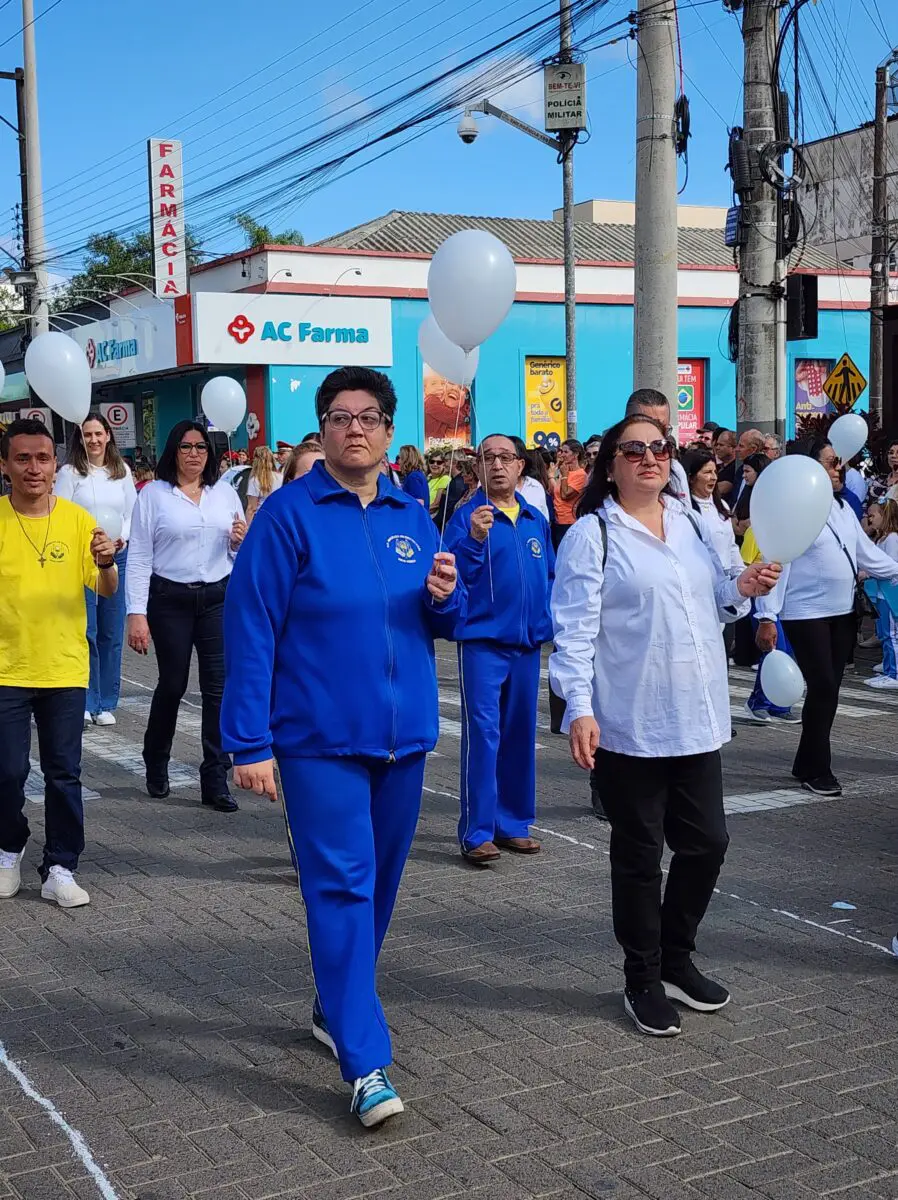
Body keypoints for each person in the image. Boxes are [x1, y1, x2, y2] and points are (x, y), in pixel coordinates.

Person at [220, 366, 463, 1129]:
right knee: (341, 888)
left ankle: (334, 1003)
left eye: (367, 417)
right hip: (316, 739)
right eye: (338, 416)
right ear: (321, 431)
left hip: (405, 738)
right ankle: (364, 1060)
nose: (353, 428)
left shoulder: (412, 515)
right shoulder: (287, 516)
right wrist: (247, 742)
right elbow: (251, 629)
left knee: (380, 888)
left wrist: (447, 599)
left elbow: (441, 623)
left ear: (390, 432)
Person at [550, 414, 780, 1037]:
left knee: (709, 843)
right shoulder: (593, 535)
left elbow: (718, 600)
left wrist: (744, 584)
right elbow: (571, 633)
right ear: (612, 465)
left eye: (660, 448)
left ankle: (678, 958)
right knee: (640, 858)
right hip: (631, 722)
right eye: (634, 450)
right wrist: (579, 708)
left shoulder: (690, 522)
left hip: (697, 716)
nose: (649, 458)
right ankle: (643, 978)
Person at [0, 419, 118, 909]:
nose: (34, 468)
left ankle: (60, 866)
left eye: (43, 458)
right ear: (4, 466)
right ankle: (9, 848)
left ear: (55, 465)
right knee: (5, 773)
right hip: (6, 669)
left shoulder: (76, 520)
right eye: (23, 458)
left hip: (65, 669)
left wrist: (108, 562)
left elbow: (104, 589)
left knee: (63, 773)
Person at [755, 436, 898, 796]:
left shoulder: (842, 509)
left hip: (842, 611)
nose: (839, 468)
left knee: (829, 688)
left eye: (839, 463)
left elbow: (866, 555)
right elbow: (778, 562)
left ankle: (805, 759)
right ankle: (818, 769)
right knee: (821, 687)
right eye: (831, 462)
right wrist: (767, 616)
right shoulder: (792, 510)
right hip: (806, 613)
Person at [125, 420, 247, 813]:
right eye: (185, 446)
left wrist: (236, 544)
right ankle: (156, 759)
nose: (194, 453)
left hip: (216, 598)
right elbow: (140, 557)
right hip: (169, 599)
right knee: (172, 685)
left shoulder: (225, 494)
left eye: (200, 447)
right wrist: (136, 613)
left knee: (218, 690)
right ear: (172, 451)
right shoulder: (154, 496)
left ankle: (215, 778)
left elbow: (237, 552)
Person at [446, 435, 553, 864]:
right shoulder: (467, 517)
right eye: (487, 458)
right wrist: (472, 539)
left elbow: (547, 575)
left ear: (521, 466)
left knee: (520, 734)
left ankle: (513, 823)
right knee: (484, 736)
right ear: (477, 467)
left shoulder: (533, 519)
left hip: (526, 647)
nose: (497, 465)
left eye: (505, 458)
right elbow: (450, 574)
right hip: (483, 644)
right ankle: (477, 831)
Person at [55, 414, 137, 727]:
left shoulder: (122, 471)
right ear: (80, 438)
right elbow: (61, 513)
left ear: (108, 437)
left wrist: (121, 539)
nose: (93, 440)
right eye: (87, 435)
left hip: (118, 556)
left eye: (98, 434)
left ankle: (106, 701)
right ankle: (87, 700)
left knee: (111, 631)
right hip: (83, 558)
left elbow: (133, 512)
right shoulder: (70, 473)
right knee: (86, 631)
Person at [624, 390, 690, 506]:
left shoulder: (675, 469)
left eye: (663, 429)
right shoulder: (608, 465)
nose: (656, 434)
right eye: (649, 426)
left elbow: (685, 512)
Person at [682, 449, 742, 575]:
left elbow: (731, 546)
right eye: (707, 472)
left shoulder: (722, 506)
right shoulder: (684, 511)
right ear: (691, 478)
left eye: (715, 472)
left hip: (726, 578)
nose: (714, 477)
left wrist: (740, 574)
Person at [863, 498, 898, 690]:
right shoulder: (883, 538)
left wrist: (869, 571)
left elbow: (890, 566)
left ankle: (894, 672)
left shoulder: (892, 539)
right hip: (882, 592)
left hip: (890, 592)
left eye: (873, 515)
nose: (870, 519)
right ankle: (888, 666)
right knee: (886, 632)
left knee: (890, 633)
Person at [550, 438, 588, 548]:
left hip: (570, 523)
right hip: (558, 522)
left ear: (575, 454)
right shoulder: (563, 472)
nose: (562, 454)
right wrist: (551, 475)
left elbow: (565, 495)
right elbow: (553, 492)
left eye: (566, 452)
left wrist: (564, 476)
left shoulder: (580, 475)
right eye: (561, 451)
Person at [510, 436, 550, 520]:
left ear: (521, 462)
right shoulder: (488, 486)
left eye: (507, 458)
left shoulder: (535, 486)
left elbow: (544, 519)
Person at [732, 453, 769, 540]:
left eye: (747, 471)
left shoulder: (769, 497)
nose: (743, 475)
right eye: (743, 471)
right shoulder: (746, 491)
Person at [245, 446, 282, 522]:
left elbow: (251, 508)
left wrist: (248, 528)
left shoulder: (255, 480)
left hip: (262, 519)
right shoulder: (281, 477)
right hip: (278, 518)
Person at [425, 448, 450, 518]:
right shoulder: (428, 478)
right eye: (432, 461)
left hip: (431, 517)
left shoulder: (445, 479)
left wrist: (419, 511)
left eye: (439, 462)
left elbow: (436, 504)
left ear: (444, 465)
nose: (435, 464)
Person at [714, 429, 738, 500]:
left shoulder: (735, 468)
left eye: (721, 445)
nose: (717, 448)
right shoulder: (718, 467)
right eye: (716, 444)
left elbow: (723, 488)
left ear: (733, 448)